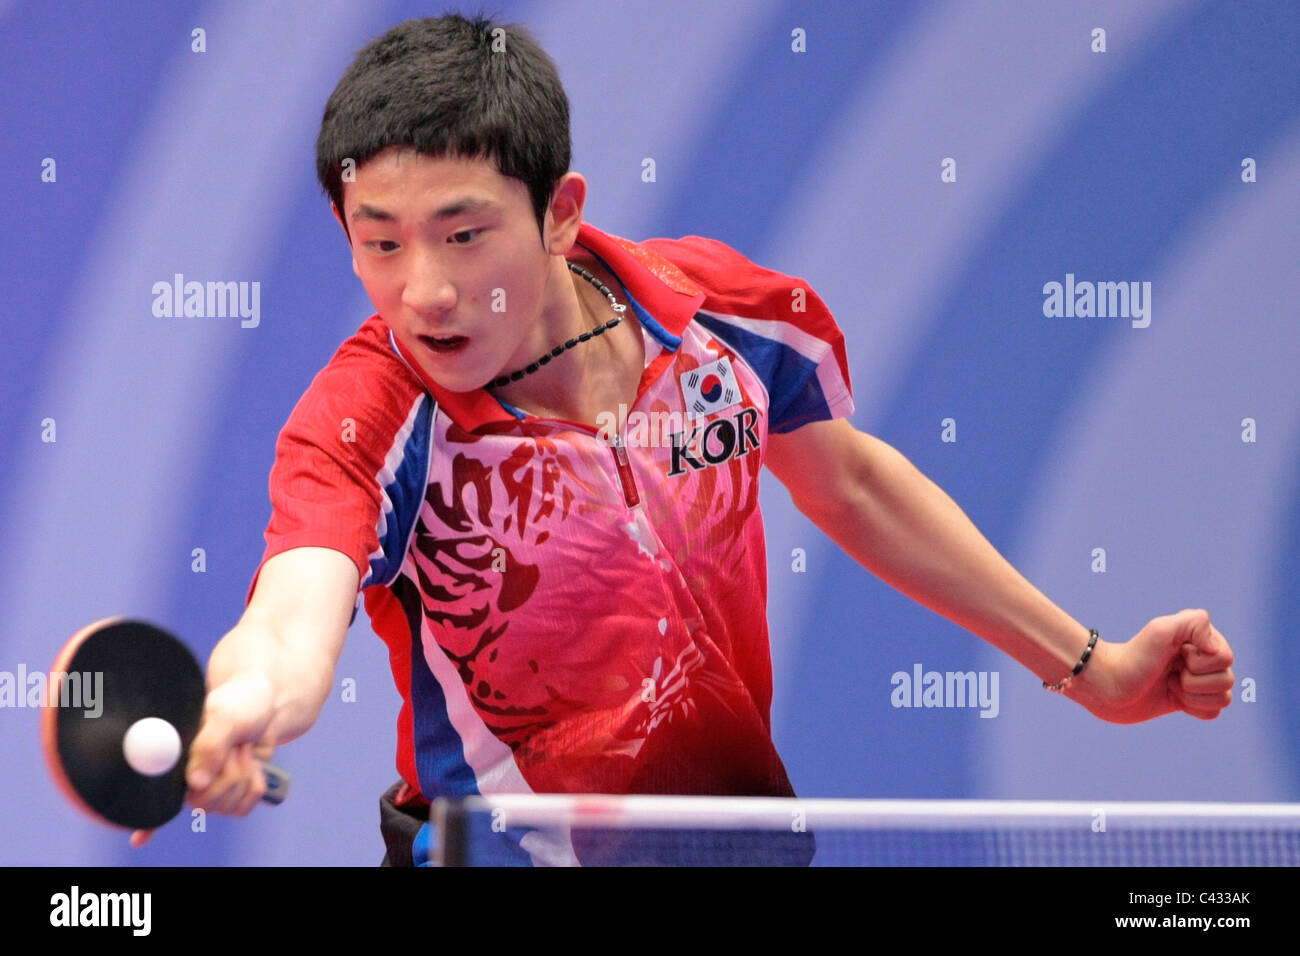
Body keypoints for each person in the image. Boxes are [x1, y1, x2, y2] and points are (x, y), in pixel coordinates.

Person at [130, 12, 1236, 864]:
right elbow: (291, 614)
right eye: (378, 244)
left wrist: (1089, 665)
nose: (422, 290)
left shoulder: (726, 316)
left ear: (560, 211)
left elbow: (851, 483)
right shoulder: (368, 421)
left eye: (463, 234)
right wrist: (243, 705)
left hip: (738, 842)